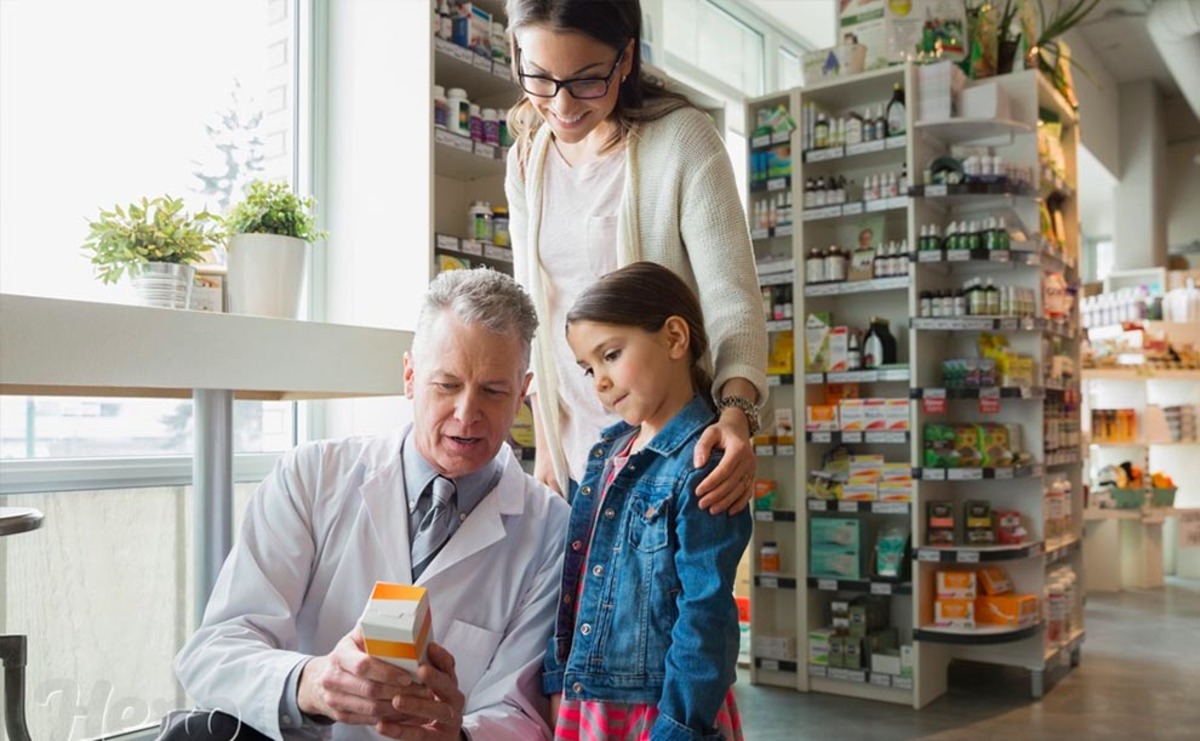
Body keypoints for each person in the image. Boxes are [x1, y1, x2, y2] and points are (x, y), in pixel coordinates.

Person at [169, 269, 570, 741]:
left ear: (522, 393)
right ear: (409, 377)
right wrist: (312, 684)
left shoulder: (550, 529)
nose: (466, 414)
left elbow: (522, 711)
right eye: (446, 385)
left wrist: (459, 736)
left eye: (493, 391)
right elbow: (214, 652)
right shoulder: (312, 476)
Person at [504, 0, 768, 512]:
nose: (561, 105)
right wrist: (545, 449)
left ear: (625, 59)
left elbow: (732, 302)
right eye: (538, 77)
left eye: (585, 81)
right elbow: (534, 318)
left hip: (673, 463)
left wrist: (735, 415)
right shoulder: (526, 161)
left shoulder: (683, 141)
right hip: (574, 464)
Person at [544, 262, 752, 740]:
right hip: (592, 702)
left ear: (675, 338)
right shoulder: (608, 452)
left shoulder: (703, 460)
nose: (598, 380)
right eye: (588, 368)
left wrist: (679, 727)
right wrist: (558, 676)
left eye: (611, 355)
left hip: (663, 713)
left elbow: (707, 614)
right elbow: (577, 582)